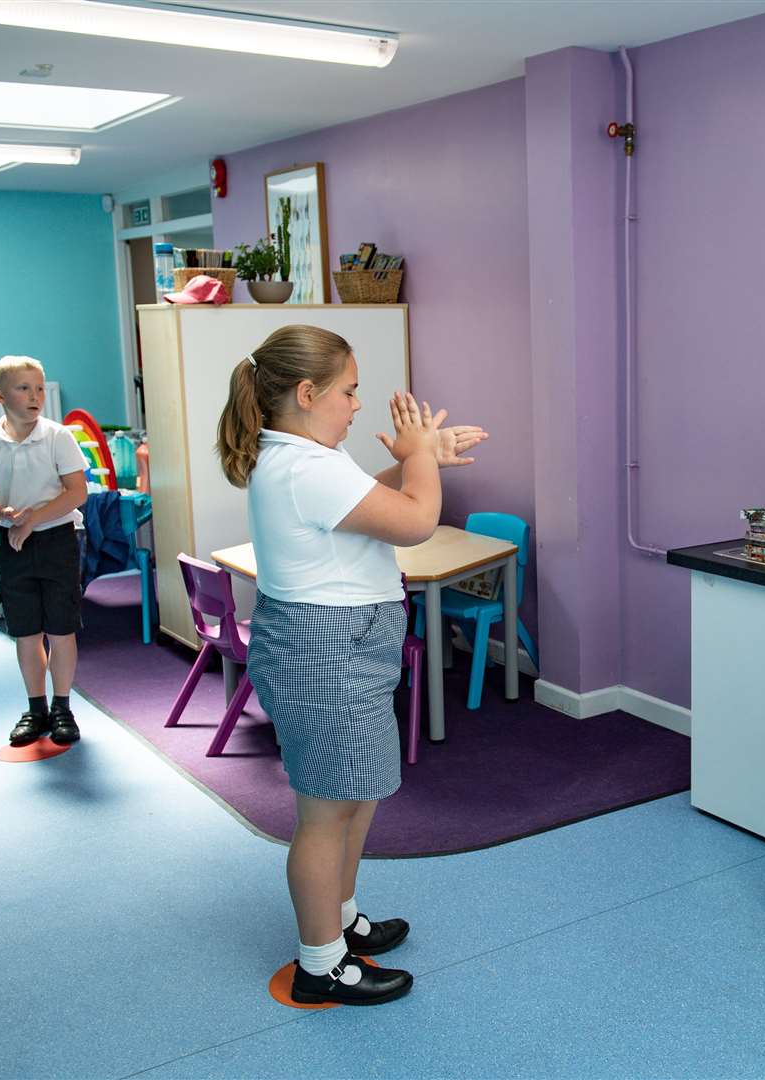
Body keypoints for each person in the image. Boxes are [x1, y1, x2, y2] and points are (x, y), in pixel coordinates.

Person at [215, 325, 487, 1007]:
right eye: (349, 390)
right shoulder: (303, 464)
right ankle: (320, 964)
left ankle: (340, 923)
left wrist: (421, 459)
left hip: (345, 641)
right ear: (307, 394)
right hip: (323, 648)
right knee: (325, 813)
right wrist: (421, 460)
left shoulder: (308, 458)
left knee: (354, 794)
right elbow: (416, 521)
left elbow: (368, 498)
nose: (357, 405)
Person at [0, 357, 89, 748]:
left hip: (57, 540)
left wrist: (31, 519)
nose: (35, 396)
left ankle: (62, 706)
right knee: (26, 631)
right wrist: (5, 514)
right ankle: (35, 709)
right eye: (23, 388)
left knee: (61, 628)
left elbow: (76, 493)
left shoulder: (57, 437)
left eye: (39, 388)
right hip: (14, 544)